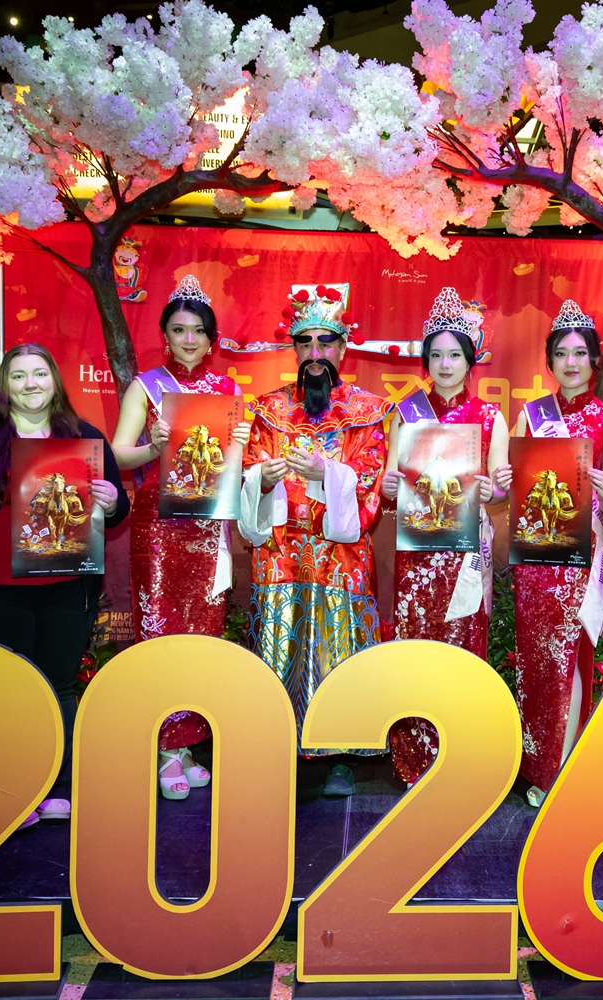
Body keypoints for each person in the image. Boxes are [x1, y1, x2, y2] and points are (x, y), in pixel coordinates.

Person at [0, 343, 126, 825]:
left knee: (58, 686)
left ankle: (56, 784)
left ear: (54, 380)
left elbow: (116, 509)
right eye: (18, 376)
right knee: (5, 691)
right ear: (4, 385)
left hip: (67, 588)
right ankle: (9, 788)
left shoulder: (84, 436)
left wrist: (112, 500)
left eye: (39, 374)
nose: (30, 384)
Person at [238, 282, 389, 798]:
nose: (316, 352)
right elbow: (251, 467)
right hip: (281, 552)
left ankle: (342, 756)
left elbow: (369, 478)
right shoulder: (268, 410)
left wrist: (327, 473)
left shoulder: (368, 411)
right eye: (306, 343)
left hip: (341, 554)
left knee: (338, 648)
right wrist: (261, 478)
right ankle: (275, 745)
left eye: (326, 342)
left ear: (343, 349)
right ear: (294, 350)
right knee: (280, 644)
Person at [111, 274, 250, 800]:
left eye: (198, 331)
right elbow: (118, 453)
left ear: (212, 340)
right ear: (165, 336)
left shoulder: (230, 392)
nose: (189, 339)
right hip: (160, 527)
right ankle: (164, 746)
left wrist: (241, 445)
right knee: (161, 627)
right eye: (178, 330)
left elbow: (235, 469)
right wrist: (153, 447)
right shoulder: (146, 386)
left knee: (202, 633)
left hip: (208, 526)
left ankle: (187, 745)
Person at [378, 287, 511, 786]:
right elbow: (389, 485)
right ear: (426, 362)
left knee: (463, 645)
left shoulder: (490, 417)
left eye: (455, 355)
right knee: (417, 647)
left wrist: (496, 489)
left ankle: (460, 757)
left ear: (470, 361)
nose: (445, 364)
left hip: (464, 557)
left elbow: (500, 489)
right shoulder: (407, 413)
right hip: (417, 556)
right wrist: (390, 487)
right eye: (436, 355)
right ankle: (414, 758)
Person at [510, 301, 603, 807]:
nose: (571, 363)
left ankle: (562, 768)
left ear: (594, 359)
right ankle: (534, 764)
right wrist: (504, 480)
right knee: (536, 659)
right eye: (561, 354)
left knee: (572, 656)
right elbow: (513, 486)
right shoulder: (531, 415)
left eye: (580, 353)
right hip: (537, 554)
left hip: (583, 554)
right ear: (550, 362)